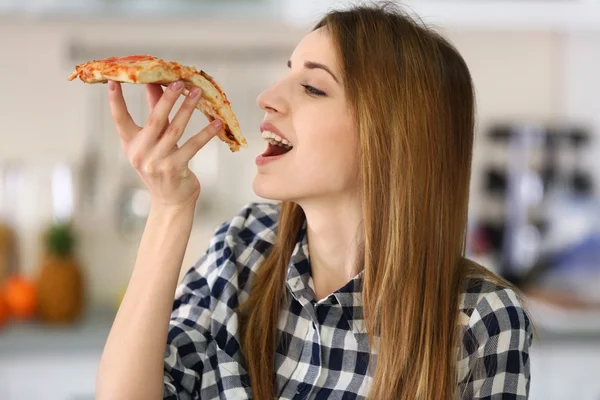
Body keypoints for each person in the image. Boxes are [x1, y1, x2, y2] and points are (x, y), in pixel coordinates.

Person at [95, 3, 533, 400]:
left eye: (312, 88)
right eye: (288, 73)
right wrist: (170, 209)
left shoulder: (482, 319)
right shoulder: (244, 247)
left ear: (393, 138)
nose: (267, 99)